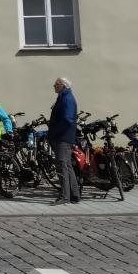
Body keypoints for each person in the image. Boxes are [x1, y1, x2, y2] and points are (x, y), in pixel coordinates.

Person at [48, 77, 80, 205]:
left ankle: (64, 196)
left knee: (62, 167)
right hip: (63, 137)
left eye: (56, 84)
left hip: (62, 138)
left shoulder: (67, 98)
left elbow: (67, 119)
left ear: (63, 86)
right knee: (67, 166)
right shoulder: (63, 97)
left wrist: (55, 132)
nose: (54, 86)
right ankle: (74, 195)